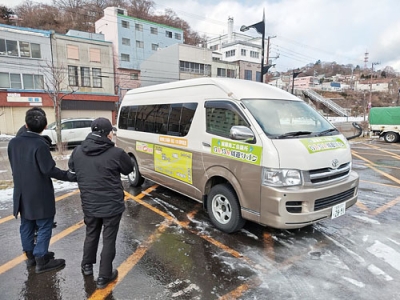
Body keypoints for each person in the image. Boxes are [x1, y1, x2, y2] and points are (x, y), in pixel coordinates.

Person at [68, 117, 133, 289]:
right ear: (107, 133)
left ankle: (87, 266)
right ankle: (104, 276)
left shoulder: (78, 151)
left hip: (89, 204)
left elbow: (72, 167)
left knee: (91, 233)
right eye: (111, 131)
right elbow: (129, 169)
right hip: (111, 205)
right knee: (109, 239)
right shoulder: (116, 153)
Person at [8, 107, 74, 274]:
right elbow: (49, 170)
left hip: (21, 192)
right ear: (45, 127)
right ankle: (41, 259)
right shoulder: (39, 144)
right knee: (44, 224)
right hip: (39, 192)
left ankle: (30, 255)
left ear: (26, 124)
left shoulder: (13, 143)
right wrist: (70, 176)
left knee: (26, 223)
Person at [16, 107, 57, 232]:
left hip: (24, 181)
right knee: (35, 215)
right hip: (33, 180)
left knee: (28, 218)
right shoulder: (28, 137)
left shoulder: (25, 135)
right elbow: (47, 168)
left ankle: (30, 246)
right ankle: (38, 248)